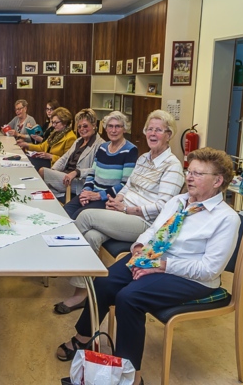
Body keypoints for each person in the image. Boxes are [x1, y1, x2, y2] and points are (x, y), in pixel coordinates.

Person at [56, 148, 240, 385]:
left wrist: (162, 265)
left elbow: (209, 269)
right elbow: (153, 230)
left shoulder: (226, 218)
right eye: (189, 171)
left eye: (198, 173)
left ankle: (131, 377)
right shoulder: (178, 201)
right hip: (155, 258)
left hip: (191, 278)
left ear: (218, 181)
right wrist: (140, 246)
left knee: (129, 298)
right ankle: (84, 338)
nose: (190, 177)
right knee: (103, 281)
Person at [54, 110, 185, 314]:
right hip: (123, 212)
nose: (152, 133)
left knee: (85, 216)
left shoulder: (172, 166)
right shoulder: (143, 158)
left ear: (169, 134)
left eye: (158, 130)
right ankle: (81, 294)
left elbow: (164, 207)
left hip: (145, 222)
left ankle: (61, 262)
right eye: (149, 129)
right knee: (91, 235)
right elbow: (128, 186)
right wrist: (117, 200)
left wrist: (128, 208)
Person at [62, 111, 138, 220]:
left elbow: (125, 184)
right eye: (110, 126)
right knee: (64, 212)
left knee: (77, 217)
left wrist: (98, 195)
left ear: (124, 129)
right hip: (91, 193)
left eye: (118, 126)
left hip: (108, 199)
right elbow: (91, 174)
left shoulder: (130, 150)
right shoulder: (102, 147)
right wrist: (86, 192)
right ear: (106, 128)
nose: (113, 130)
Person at [38, 108, 104, 200]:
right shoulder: (78, 141)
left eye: (85, 126)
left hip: (78, 182)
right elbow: (64, 159)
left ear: (93, 125)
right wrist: (53, 170)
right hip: (65, 176)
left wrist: (77, 172)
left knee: (42, 172)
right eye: (79, 126)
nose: (82, 129)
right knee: (42, 178)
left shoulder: (100, 145)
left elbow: (96, 170)